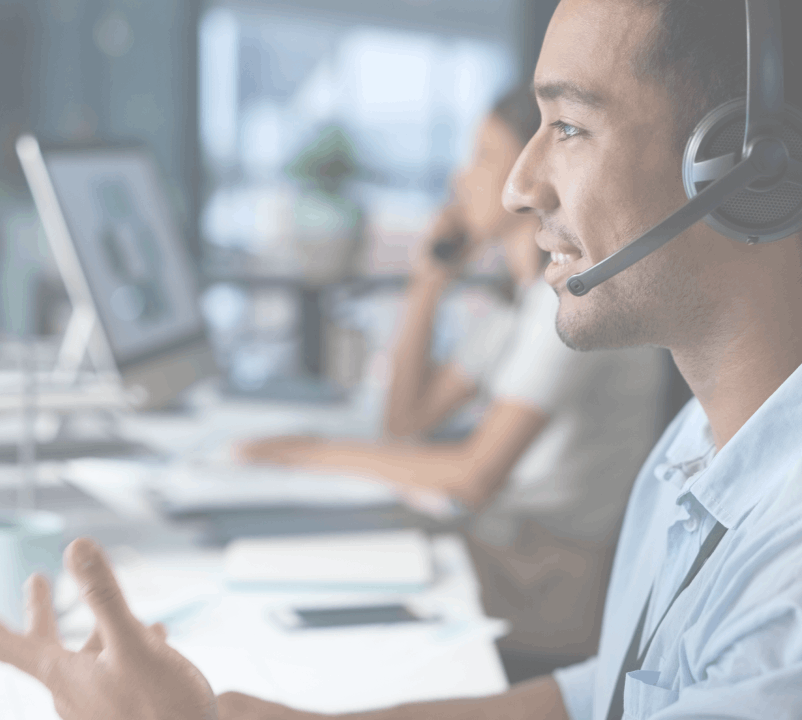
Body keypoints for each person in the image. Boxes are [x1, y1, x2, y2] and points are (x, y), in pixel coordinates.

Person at [0, 0, 802, 718]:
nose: (518, 188)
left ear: (754, 170)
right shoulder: (724, 437)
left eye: (569, 127)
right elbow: (599, 700)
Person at [236, 87, 663, 670]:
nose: (464, 179)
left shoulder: (570, 309)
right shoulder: (519, 306)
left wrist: (305, 453)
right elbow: (406, 422)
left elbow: (471, 478)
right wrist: (429, 280)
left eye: (485, 156)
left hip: (546, 593)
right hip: (508, 559)